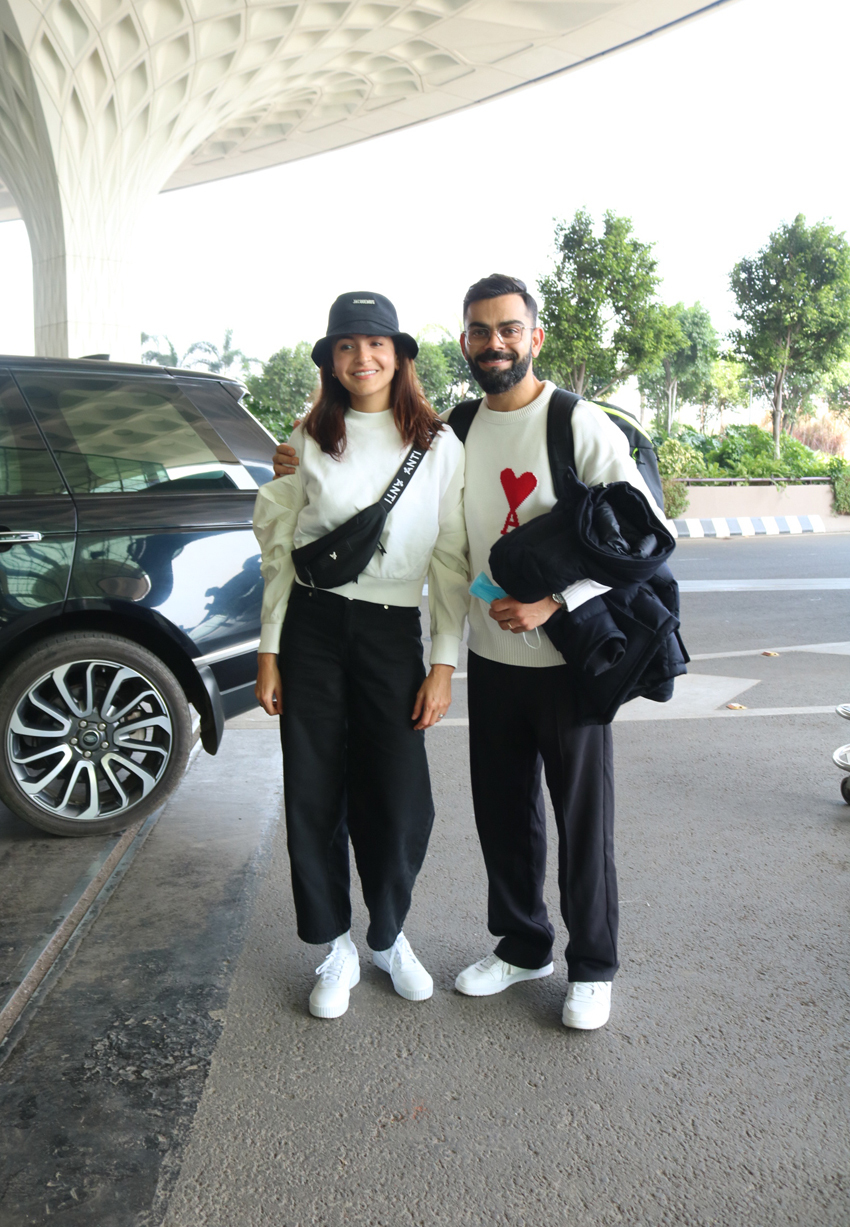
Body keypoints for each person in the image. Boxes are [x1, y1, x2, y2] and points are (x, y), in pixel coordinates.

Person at [274, 274, 669, 1032]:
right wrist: (295, 459)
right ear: (464, 343)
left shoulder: (577, 423)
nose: (496, 344)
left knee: (582, 819)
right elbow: (377, 473)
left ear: (535, 337)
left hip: (570, 660)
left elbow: (649, 533)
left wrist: (559, 601)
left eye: (509, 329)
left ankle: (593, 965)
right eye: (481, 332)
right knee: (503, 812)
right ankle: (523, 944)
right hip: (491, 658)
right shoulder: (454, 428)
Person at [254, 290, 468, 1020]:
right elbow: (280, 551)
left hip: (389, 632)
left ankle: (388, 933)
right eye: (345, 345)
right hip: (312, 626)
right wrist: (269, 649)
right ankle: (334, 945)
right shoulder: (310, 434)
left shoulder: (440, 445)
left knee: (401, 796)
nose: (361, 357)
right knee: (314, 790)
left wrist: (442, 662)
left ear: (400, 355)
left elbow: (449, 559)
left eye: (375, 343)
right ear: (331, 358)